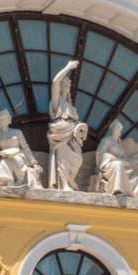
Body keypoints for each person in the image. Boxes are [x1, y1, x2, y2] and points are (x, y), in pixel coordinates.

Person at [95, 118, 138, 201]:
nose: (116, 127)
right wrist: (116, 160)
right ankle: (117, 190)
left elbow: (123, 158)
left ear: (120, 132)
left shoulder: (120, 145)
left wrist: (127, 162)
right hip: (110, 166)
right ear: (111, 129)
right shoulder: (106, 140)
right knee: (117, 165)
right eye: (114, 126)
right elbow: (100, 154)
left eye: (118, 127)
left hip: (122, 169)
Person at [47, 61, 87, 191]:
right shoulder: (57, 102)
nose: (66, 86)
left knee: (78, 159)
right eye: (64, 84)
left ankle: (69, 181)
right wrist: (68, 67)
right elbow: (55, 82)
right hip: (59, 134)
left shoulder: (70, 106)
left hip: (72, 135)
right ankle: (64, 185)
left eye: (68, 85)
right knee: (62, 158)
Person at [0, 110, 42, 189]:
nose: (10, 117)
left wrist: (33, 162)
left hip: (18, 158)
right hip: (5, 158)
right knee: (4, 160)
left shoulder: (17, 132)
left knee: (7, 161)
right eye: (8, 116)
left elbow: (25, 147)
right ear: (2, 120)